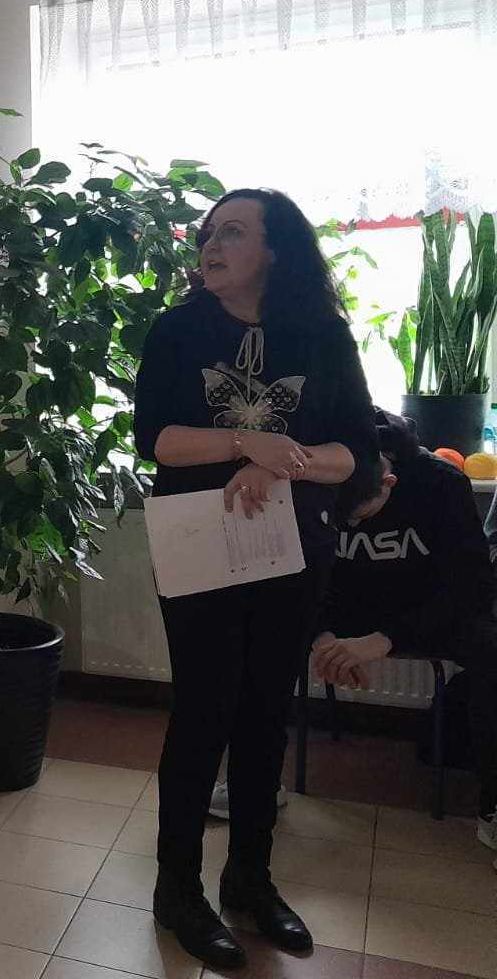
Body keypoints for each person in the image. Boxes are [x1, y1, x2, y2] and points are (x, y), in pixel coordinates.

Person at [134, 188, 377, 969]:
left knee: (267, 712)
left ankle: (249, 880)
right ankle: (178, 889)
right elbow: (157, 440)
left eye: (233, 232)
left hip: (294, 548)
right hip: (200, 547)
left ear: (275, 251)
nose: (212, 244)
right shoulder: (178, 329)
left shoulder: (323, 336)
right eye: (209, 232)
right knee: (203, 711)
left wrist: (282, 463)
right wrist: (246, 442)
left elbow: (357, 455)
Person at [314, 409, 497, 866]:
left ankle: (492, 804)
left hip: (425, 612)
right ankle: (253, 781)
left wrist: (384, 639)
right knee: (255, 624)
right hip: (342, 610)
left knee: (490, 645)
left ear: (388, 483)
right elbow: (297, 574)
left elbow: (472, 588)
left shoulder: (442, 484)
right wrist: (321, 637)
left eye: (361, 514)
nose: (352, 528)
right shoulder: (314, 472)